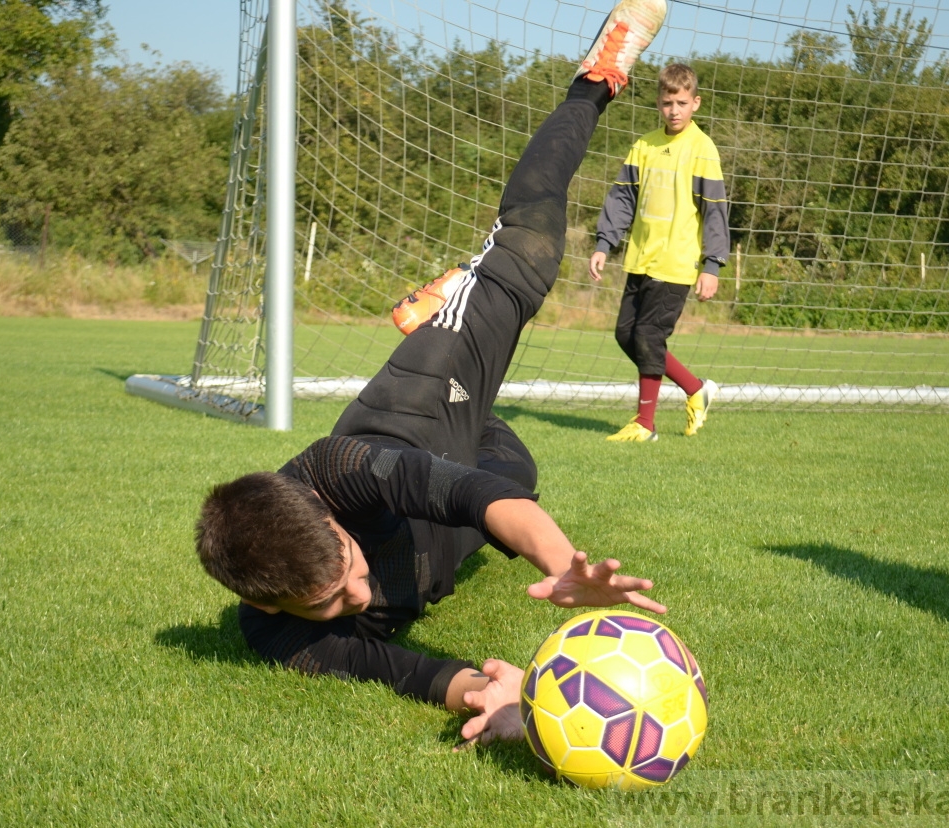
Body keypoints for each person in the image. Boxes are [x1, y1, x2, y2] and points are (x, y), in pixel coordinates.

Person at [195, 0, 670, 746]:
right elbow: (408, 673)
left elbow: (466, 495)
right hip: (476, 455)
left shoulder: (339, 468)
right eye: (325, 602)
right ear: (275, 606)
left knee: (534, 244)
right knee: (517, 466)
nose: (357, 596)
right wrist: (515, 705)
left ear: (325, 511)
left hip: (418, 409)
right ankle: (458, 296)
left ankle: (597, 77)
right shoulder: (276, 636)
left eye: (349, 568)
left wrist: (563, 564)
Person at [588, 62, 730, 442]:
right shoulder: (644, 145)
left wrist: (712, 264)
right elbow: (622, 198)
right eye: (668, 102)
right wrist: (605, 242)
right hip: (640, 258)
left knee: (649, 338)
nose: (674, 110)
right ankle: (696, 389)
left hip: (678, 263)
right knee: (626, 335)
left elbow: (715, 211)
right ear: (658, 102)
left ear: (695, 103)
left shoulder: (702, 149)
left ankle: (644, 424)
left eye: (682, 102)